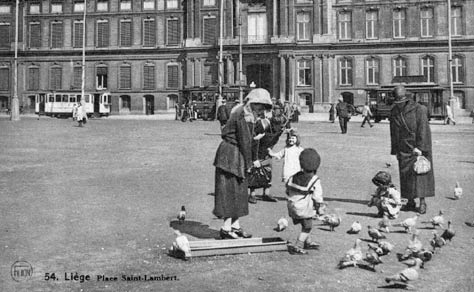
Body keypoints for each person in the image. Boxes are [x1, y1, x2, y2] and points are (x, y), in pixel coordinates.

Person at [213, 88, 273, 239]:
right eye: (259, 107)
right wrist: (250, 163)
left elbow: (248, 139)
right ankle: (226, 229)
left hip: (235, 154)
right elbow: (245, 141)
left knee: (239, 190)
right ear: (252, 103)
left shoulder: (246, 114)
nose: (260, 111)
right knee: (231, 191)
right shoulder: (242, 115)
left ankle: (235, 226)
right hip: (231, 155)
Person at [390, 85, 434, 214]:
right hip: (403, 148)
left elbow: (423, 129)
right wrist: (395, 150)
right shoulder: (394, 111)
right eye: (397, 102)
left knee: (420, 175)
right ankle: (410, 201)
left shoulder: (419, 109)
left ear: (407, 100)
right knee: (406, 176)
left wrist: (420, 147)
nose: (399, 105)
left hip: (418, 148)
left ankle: (422, 202)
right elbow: (393, 132)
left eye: (401, 102)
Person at [286, 148, 323, 254]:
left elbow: (287, 189)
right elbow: (317, 196)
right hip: (303, 208)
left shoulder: (294, 176)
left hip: (292, 205)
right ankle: (299, 244)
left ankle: (308, 241)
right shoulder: (314, 179)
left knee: (304, 223)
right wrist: (319, 207)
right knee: (308, 226)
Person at [247, 116, 284, 204]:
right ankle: (252, 194)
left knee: (268, 173)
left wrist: (282, 131)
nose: (277, 128)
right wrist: (255, 159)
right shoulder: (261, 131)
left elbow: (275, 139)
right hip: (258, 154)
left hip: (267, 154)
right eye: (276, 125)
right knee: (255, 174)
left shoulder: (276, 131)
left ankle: (266, 193)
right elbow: (254, 144)